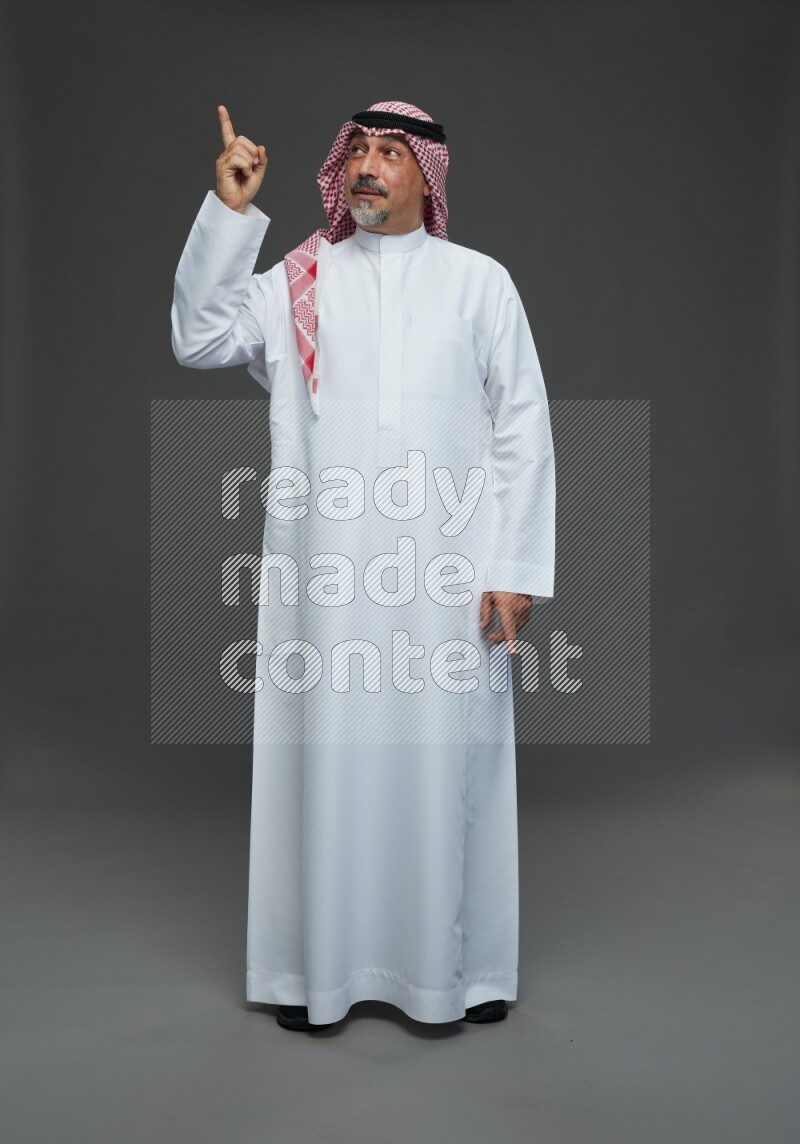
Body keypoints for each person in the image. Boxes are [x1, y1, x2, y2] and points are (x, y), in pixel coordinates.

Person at [171, 99, 556, 1032]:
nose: (371, 168)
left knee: (450, 763)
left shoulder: (479, 284)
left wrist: (514, 566)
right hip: (327, 584)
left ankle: (457, 977)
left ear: (430, 174)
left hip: (448, 584)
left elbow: (523, 429)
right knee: (327, 761)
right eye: (359, 153)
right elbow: (201, 339)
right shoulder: (302, 278)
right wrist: (227, 216)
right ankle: (317, 976)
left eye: (392, 152)